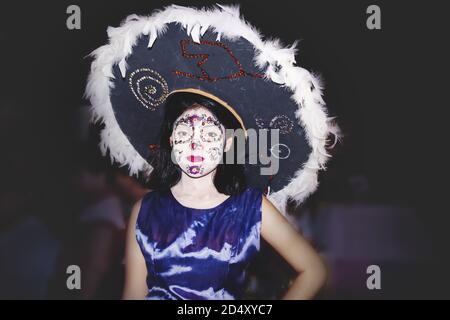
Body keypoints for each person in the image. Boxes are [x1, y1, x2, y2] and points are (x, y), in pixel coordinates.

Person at [121, 92, 327, 300]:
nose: (195, 144)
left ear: (228, 143)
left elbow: (314, 270)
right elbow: (133, 294)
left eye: (209, 134)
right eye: (184, 133)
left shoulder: (251, 207)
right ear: (172, 140)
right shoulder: (145, 209)